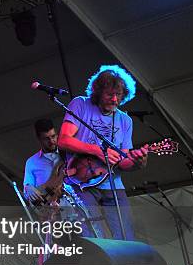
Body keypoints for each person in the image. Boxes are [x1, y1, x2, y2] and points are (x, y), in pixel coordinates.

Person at [58, 65, 148, 241]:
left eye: (119, 95)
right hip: (82, 183)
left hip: (113, 185)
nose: (114, 99)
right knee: (90, 237)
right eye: (109, 94)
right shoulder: (81, 104)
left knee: (126, 237)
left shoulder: (125, 120)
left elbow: (122, 161)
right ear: (98, 92)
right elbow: (63, 140)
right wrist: (97, 151)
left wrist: (138, 161)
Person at [23, 118, 64, 206]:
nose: (51, 141)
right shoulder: (31, 162)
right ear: (39, 139)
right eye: (46, 139)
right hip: (51, 211)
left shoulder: (67, 153)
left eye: (53, 136)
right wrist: (28, 188)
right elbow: (28, 192)